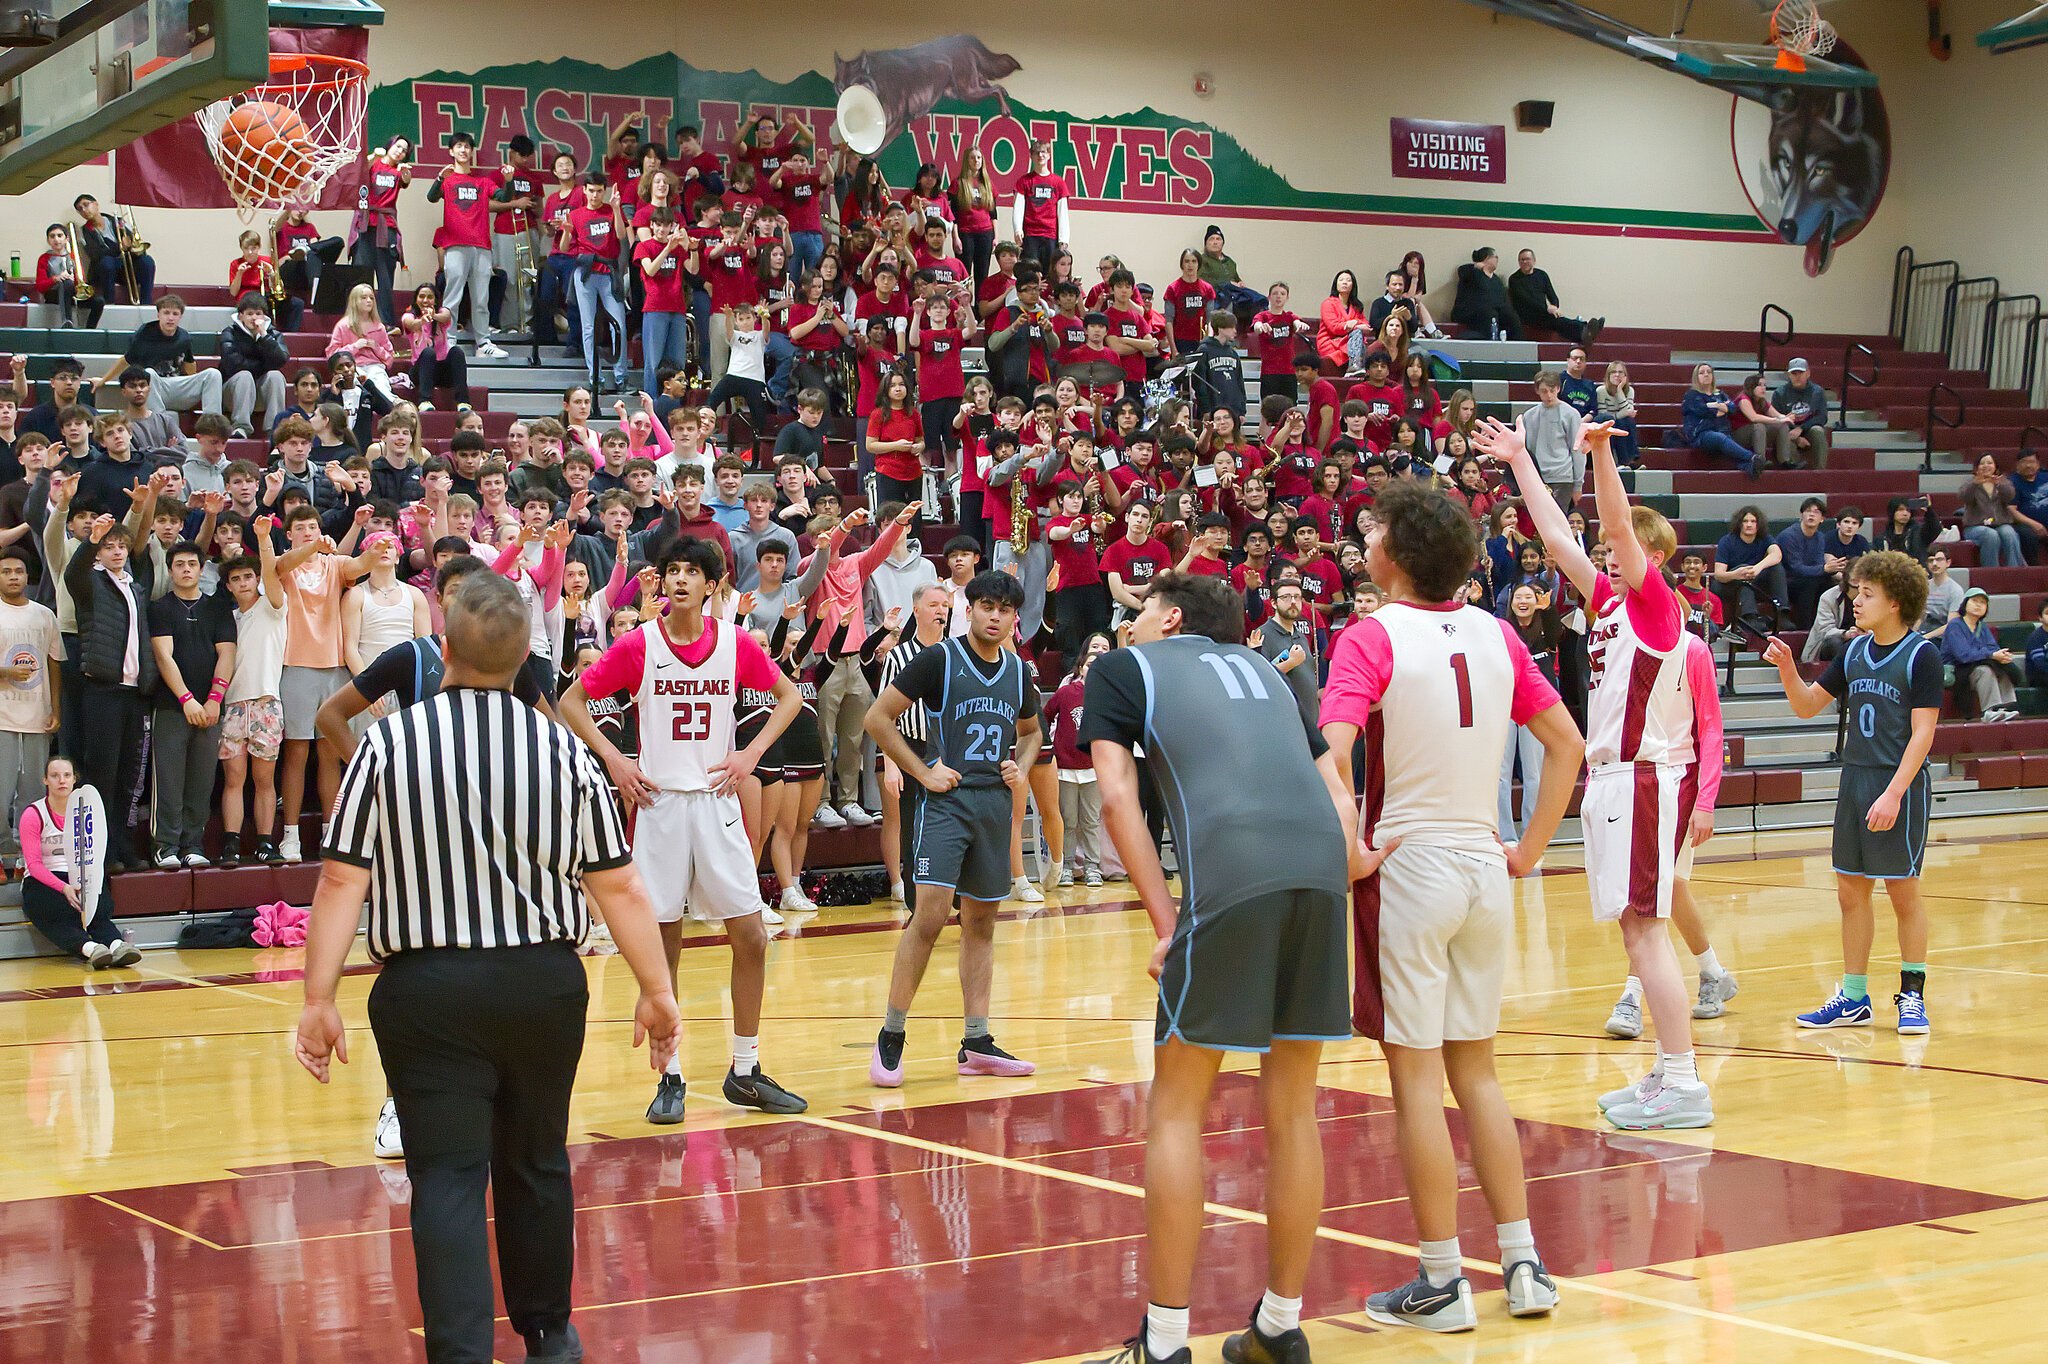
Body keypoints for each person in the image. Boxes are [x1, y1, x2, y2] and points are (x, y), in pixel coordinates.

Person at [294, 572, 680, 1364]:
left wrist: (318, 997)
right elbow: (620, 885)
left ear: (441, 652)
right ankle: (549, 1335)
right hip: (542, 985)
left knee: (446, 1177)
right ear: (523, 662)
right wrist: (657, 990)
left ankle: (462, 1352)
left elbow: (340, 878)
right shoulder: (567, 753)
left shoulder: (387, 746)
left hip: (427, 992)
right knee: (536, 1162)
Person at [1317, 480, 1580, 1334]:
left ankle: (1440, 1278)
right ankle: (1524, 1263)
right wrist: (1531, 848)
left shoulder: (1369, 635)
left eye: (1376, 527)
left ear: (1392, 551)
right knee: (1479, 1072)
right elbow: (1567, 746)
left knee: (1417, 1085)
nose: (1367, 535)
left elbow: (1332, 752)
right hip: (1481, 865)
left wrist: (1351, 842)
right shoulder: (1500, 633)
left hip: (1410, 868)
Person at [1080, 571, 1357, 1364]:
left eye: (1137, 613)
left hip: (1233, 873)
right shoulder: (1272, 672)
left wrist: (1169, 921)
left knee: (1175, 1110)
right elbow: (1338, 797)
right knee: (1294, 1109)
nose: (1126, 625)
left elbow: (1113, 800)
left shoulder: (1124, 667)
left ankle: (1164, 1343)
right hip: (1319, 870)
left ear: (1169, 619)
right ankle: (1279, 1325)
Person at [1478, 415, 1713, 1130]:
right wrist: (1521, 461)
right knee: (1634, 932)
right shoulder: (1607, 602)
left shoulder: (1656, 606)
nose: (1611, 556)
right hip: (1614, 781)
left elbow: (1610, 529)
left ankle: (1684, 1082)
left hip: (1644, 777)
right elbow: (1556, 538)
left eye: (1627, 548)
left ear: (1651, 556)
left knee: (1647, 931)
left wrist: (1604, 456)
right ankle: (1667, 1073)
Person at [561, 537, 809, 1120]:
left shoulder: (735, 641)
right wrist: (616, 760)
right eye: (671, 571)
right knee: (661, 945)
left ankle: (745, 1070)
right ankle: (668, 1076)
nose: (678, 580)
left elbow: (790, 697)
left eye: (690, 572)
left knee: (751, 936)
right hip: (660, 805)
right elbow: (572, 702)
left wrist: (750, 755)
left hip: (717, 802)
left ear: (710, 584)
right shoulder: (638, 644)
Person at [862, 570, 1042, 1088]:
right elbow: (877, 718)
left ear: (1013, 618)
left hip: (992, 804)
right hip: (946, 803)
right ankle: (892, 1033)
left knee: (982, 924)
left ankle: (977, 1041)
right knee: (931, 916)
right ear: (970, 609)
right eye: (985, 605)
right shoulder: (940, 658)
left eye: (1004, 609)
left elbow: (1031, 733)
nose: (994, 615)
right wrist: (921, 770)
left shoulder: (1017, 671)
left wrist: (1021, 766)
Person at [1764, 551, 1938, 1036]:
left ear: (1896, 602)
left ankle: (1912, 994)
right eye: (1855, 592)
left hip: (1897, 782)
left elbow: (1923, 735)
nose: (1855, 601)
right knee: (1850, 891)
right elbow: (1806, 706)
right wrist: (1784, 667)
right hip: (1855, 780)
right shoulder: (1854, 651)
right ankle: (1855, 997)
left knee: (1903, 891)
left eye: (1866, 594)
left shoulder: (1922, 655)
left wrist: (1895, 793)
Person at [1603, 628, 1739, 1038]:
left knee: (1652, 889)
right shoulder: (1619, 643)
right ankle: (1712, 970)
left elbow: (1712, 729)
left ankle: (1630, 997)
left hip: (1678, 779)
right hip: (1633, 778)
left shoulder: (1692, 649)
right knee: (1667, 888)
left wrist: (1706, 801)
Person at [64, 509, 155, 872]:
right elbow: (72, 573)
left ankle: (123, 847)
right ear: (99, 552)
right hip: (103, 690)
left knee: (130, 777)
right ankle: (101, 851)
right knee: (102, 774)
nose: (117, 551)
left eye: (121, 545)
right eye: (109, 546)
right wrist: (90, 541)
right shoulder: (90, 582)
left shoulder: (136, 588)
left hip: (136, 692)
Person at [147, 539, 234, 867]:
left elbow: (227, 653)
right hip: (172, 707)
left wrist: (214, 699)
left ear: (201, 569)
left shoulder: (217, 607)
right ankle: (165, 846)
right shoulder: (160, 607)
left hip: (211, 709)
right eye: (179, 565)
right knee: (168, 780)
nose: (186, 570)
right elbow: (163, 656)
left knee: (202, 780)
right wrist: (187, 699)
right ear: (170, 571)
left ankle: (192, 844)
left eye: (192, 564)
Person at [18, 754, 138, 968]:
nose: (61, 780)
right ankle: (91, 949)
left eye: (66, 775)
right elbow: (34, 865)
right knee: (54, 909)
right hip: (45, 881)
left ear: (75, 779)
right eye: (54, 776)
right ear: (45, 780)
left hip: (80, 875)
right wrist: (64, 888)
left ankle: (117, 945)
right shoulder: (33, 814)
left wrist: (87, 884)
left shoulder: (88, 811)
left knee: (99, 906)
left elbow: (96, 850)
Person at [0, 547, 60, 871]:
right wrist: (5, 673)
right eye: (6, 571)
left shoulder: (43, 614)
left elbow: (54, 664)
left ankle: (29, 859)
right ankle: (3, 856)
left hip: (38, 715)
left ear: (27, 576)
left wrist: (57, 709)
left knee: (34, 792)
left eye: (18, 571)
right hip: (2, 717)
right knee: (1, 791)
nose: (13, 577)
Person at [1048, 634, 1108, 887]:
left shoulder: (1107, 697)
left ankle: (1093, 867)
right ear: (1081, 667)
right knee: (1068, 821)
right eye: (1089, 665)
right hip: (1065, 768)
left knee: (1091, 821)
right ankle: (1066, 866)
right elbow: (1044, 715)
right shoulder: (1065, 693)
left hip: (1094, 769)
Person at [1941, 586, 2022, 720]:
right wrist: (1990, 655)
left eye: (1983, 602)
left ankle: (2008, 707)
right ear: (1965, 603)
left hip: (1974, 666)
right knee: (1985, 671)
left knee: (2001, 669)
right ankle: (1990, 710)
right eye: (1974, 601)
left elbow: (1993, 648)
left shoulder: (1982, 627)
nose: (1978, 605)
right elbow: (1964, 655)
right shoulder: (1955, 625)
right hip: (1958, 671)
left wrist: (2000, 656)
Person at [1507, 248, 1602, 345]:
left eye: (1527, 259)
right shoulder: (1514, 279)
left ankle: (1584, 333)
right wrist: (1547, 309)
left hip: (1543, 313)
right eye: (1521, 260)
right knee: (1558, 321)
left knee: (1559, 320)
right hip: (1527, 316)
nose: (1524, 262)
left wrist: (1555, 307)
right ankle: (1586, 328)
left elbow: (1552, 295)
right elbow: (1527, 301)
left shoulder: (1542, 275)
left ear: (1534, 261)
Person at [1680, 365, 1756, 477]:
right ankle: (1752, 457)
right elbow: (1702, 410)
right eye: (1701, 373)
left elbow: (1732, 408)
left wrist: (1719, 407)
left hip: (1722, 430)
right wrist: (1720, 409)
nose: (1706, 374)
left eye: (1709, 372)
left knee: (1725, 439)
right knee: (1720, 438)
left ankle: (1748, 466)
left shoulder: (1720, 394)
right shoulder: (1691, 395)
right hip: (1701, 433)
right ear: (1696, 377)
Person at [1958, 452, 2024, 568]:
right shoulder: (1969, 483)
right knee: (1991, 535)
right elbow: (1964, 497)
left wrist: (1999, 485)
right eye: (1982, 463)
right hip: (1975, 526)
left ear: (1995, 467)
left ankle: (2014, 570)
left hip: (2001, 523)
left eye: (1989, 463)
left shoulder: (2003, 482)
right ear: (1977, 467)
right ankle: (1991, 571)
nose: (1986, 466)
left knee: (2009, 533)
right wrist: (1974, 484)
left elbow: (2010, 497)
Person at [1773, 358, 1832, 469]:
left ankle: (1819, 472)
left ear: (1808, 373)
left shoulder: (1817, 392)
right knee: (1786, 440)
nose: (1797, 376)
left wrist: (1801, 428)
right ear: (1788, 375)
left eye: (1801, 372)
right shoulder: (1779, 393)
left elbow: (1822, 417)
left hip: (1808, 429)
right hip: (1789, 432)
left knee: (1818, 431)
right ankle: (1795, 474)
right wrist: (1796, 438)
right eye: (1794, 373)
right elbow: (1777, 420)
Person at [1451, 247, 1517, 339]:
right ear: (1487, 258)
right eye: (1495, 257)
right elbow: (1462, 271)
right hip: (1471, 312)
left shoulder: (1496, 279)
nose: (1497, 260)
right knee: (1490, 314)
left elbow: (1502, 300)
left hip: (1492, 312)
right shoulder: (1471, 271)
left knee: (1511, 316)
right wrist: (1477, 266)